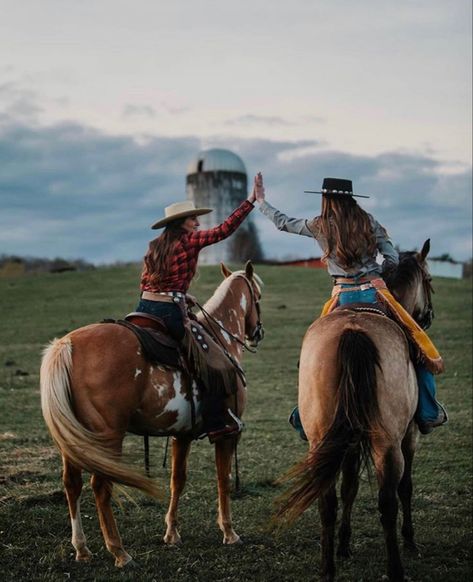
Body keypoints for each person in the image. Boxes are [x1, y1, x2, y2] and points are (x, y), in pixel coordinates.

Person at [253, 172, 447, 436]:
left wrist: (261, 201)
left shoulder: (319, 225)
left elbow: (283, 223)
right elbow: (391, 257)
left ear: (326, 200)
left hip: (341, 297)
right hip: (375, 293)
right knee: (415, 343)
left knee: (312, 353)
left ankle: (303, 416)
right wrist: (380, 270)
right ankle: (427, 410)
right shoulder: (369, 221)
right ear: (351, 199)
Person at [137, 190, 256, 442]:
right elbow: (223, 231)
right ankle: (215, 423)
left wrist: (181, 295)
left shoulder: (154, 246)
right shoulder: (188, 241)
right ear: (181, 222)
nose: (197, 224)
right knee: (215, 363)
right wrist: (251, 201)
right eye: (193, 219)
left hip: (144, 308)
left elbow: (147, 282)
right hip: (169, 312)